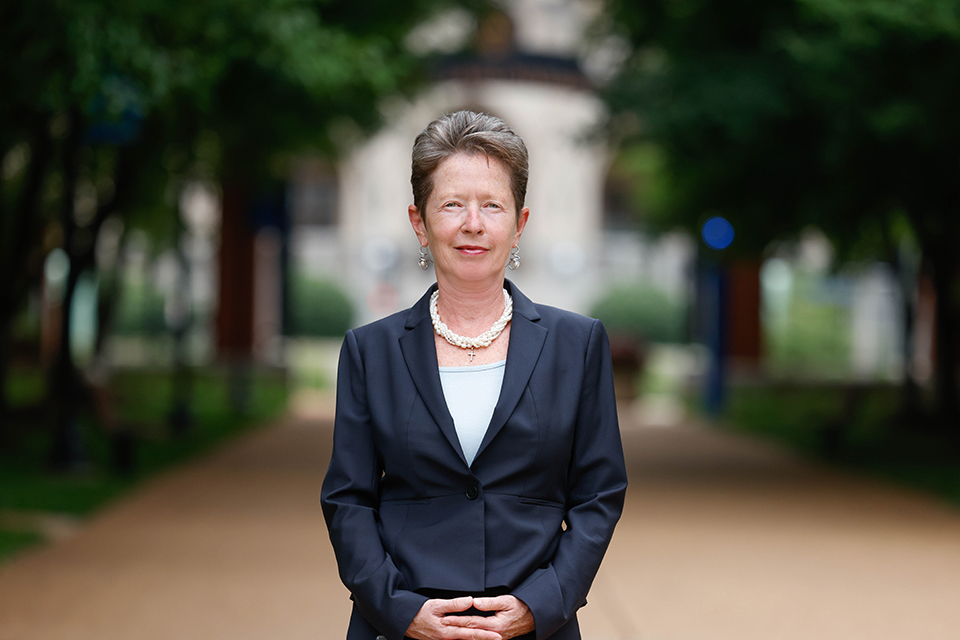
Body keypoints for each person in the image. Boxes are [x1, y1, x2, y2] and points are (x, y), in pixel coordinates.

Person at [321, 110, 627, 640]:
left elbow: (599, 494)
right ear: (419, 221)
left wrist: (541, 603)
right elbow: (348, 499)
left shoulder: (577, 345)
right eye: (451, 205)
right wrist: (399, 609)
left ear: (519, 223)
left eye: (492, 205)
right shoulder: (369, 350)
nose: (473, 224)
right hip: (401, 625)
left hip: (534, 625)